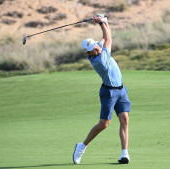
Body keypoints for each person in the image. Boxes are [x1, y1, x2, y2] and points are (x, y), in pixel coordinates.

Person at [73, 14, 132, 165]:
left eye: (96, 45)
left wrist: (104, 21)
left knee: (125, 119)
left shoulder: (97, 49)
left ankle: (124, 153)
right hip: (109, 93)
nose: (97, 48)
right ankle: (82, 146)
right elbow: (108, 38)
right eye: (93, 49)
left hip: (121, 90)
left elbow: (104, 39)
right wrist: (102, 23)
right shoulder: (99, 60)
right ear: (88, 54)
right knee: (104, 124)